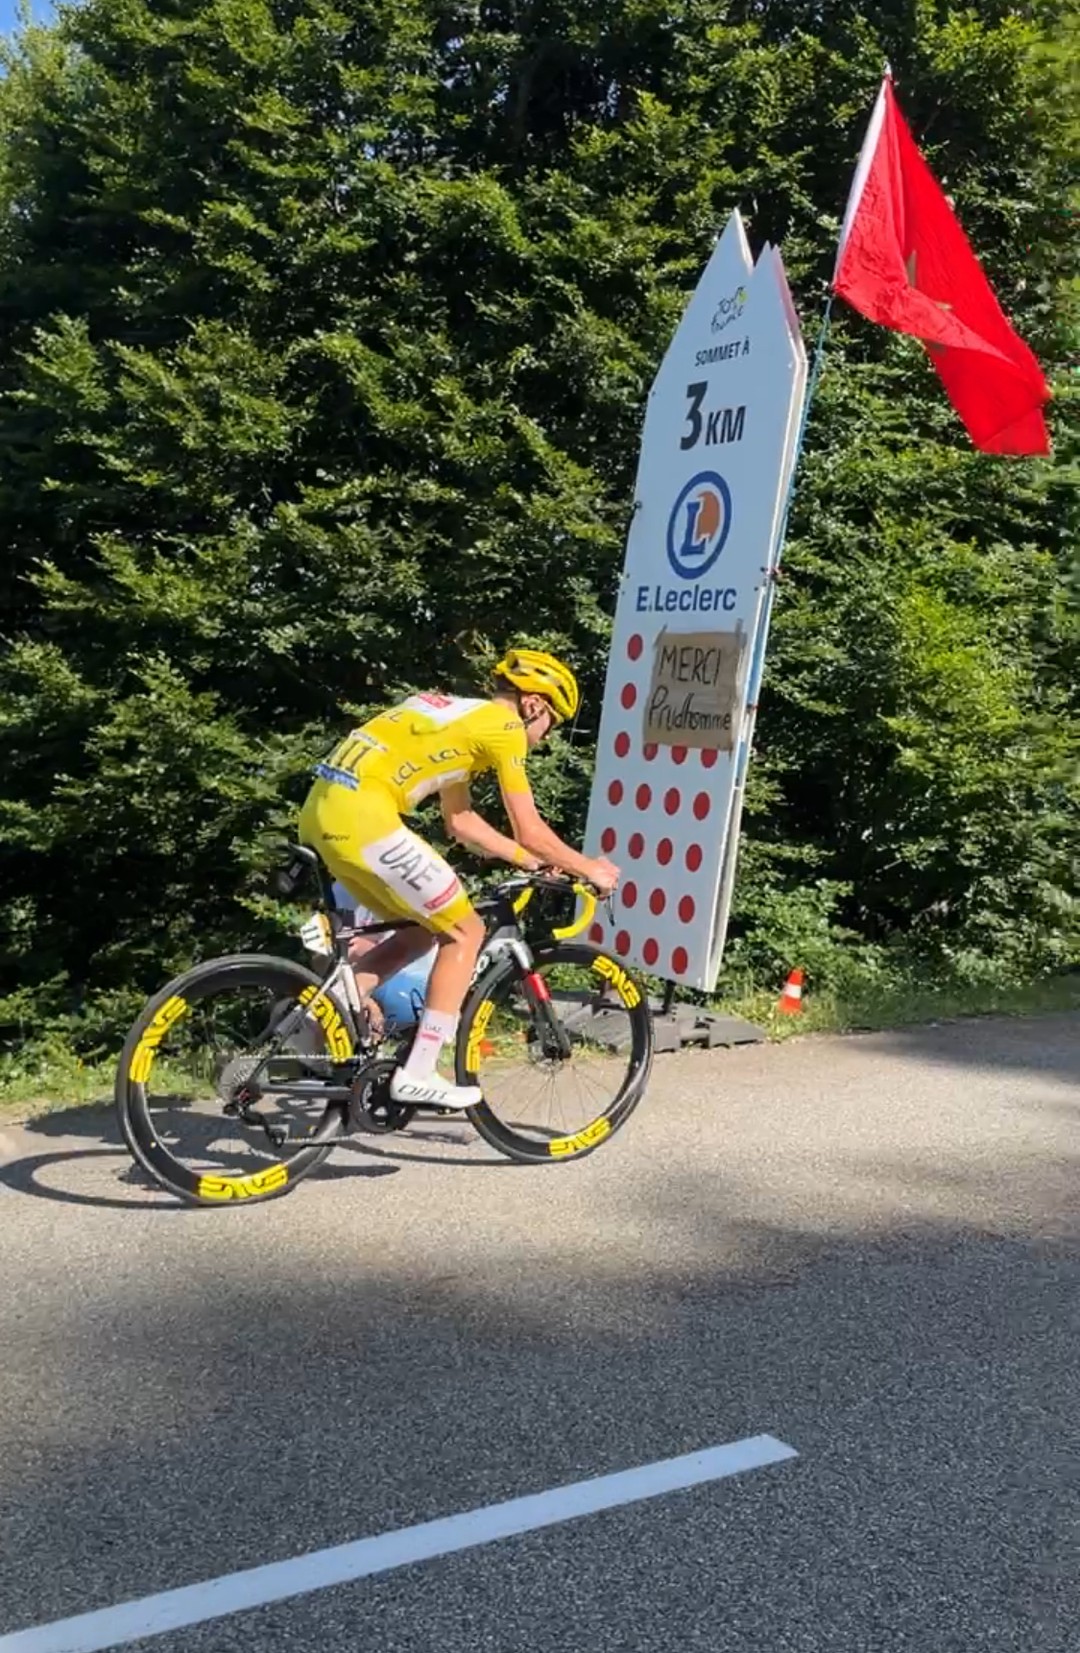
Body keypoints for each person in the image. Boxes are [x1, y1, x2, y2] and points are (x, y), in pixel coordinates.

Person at [298, 648, 620, 1109]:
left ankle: (328, 1007)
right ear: (533, 705)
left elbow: (461, 820)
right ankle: (421, 1070)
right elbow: (529, 828)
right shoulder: (505, 729)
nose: (545, 737)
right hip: (364, 817)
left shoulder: (460, 720)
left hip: (321, 812)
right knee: (466, 930)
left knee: (420, 933)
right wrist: (588, 868)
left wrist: (527, 863)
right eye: (551, 722)